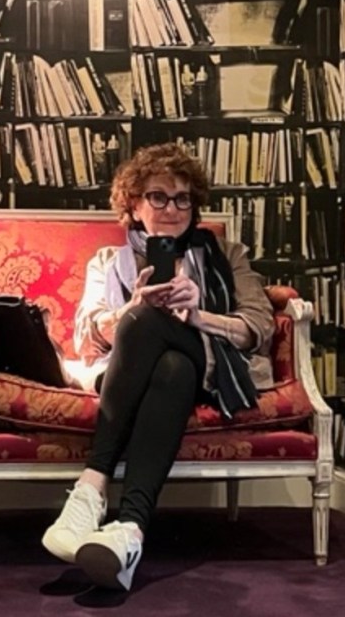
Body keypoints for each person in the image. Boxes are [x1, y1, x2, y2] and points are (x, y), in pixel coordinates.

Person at [41, 142, 274, 591]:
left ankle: (91, 488)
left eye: (182, 198)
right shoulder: (107, 262)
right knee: (170, 366)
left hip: (212, 364)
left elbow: (259, 327)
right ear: (133, 204)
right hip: (141, 373)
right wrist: (130, 309)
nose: (171, 209)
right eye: (158, 196)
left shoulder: (228, 255)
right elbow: (86, 338)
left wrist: (199, 316)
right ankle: (129, 531)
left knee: (160, 334)